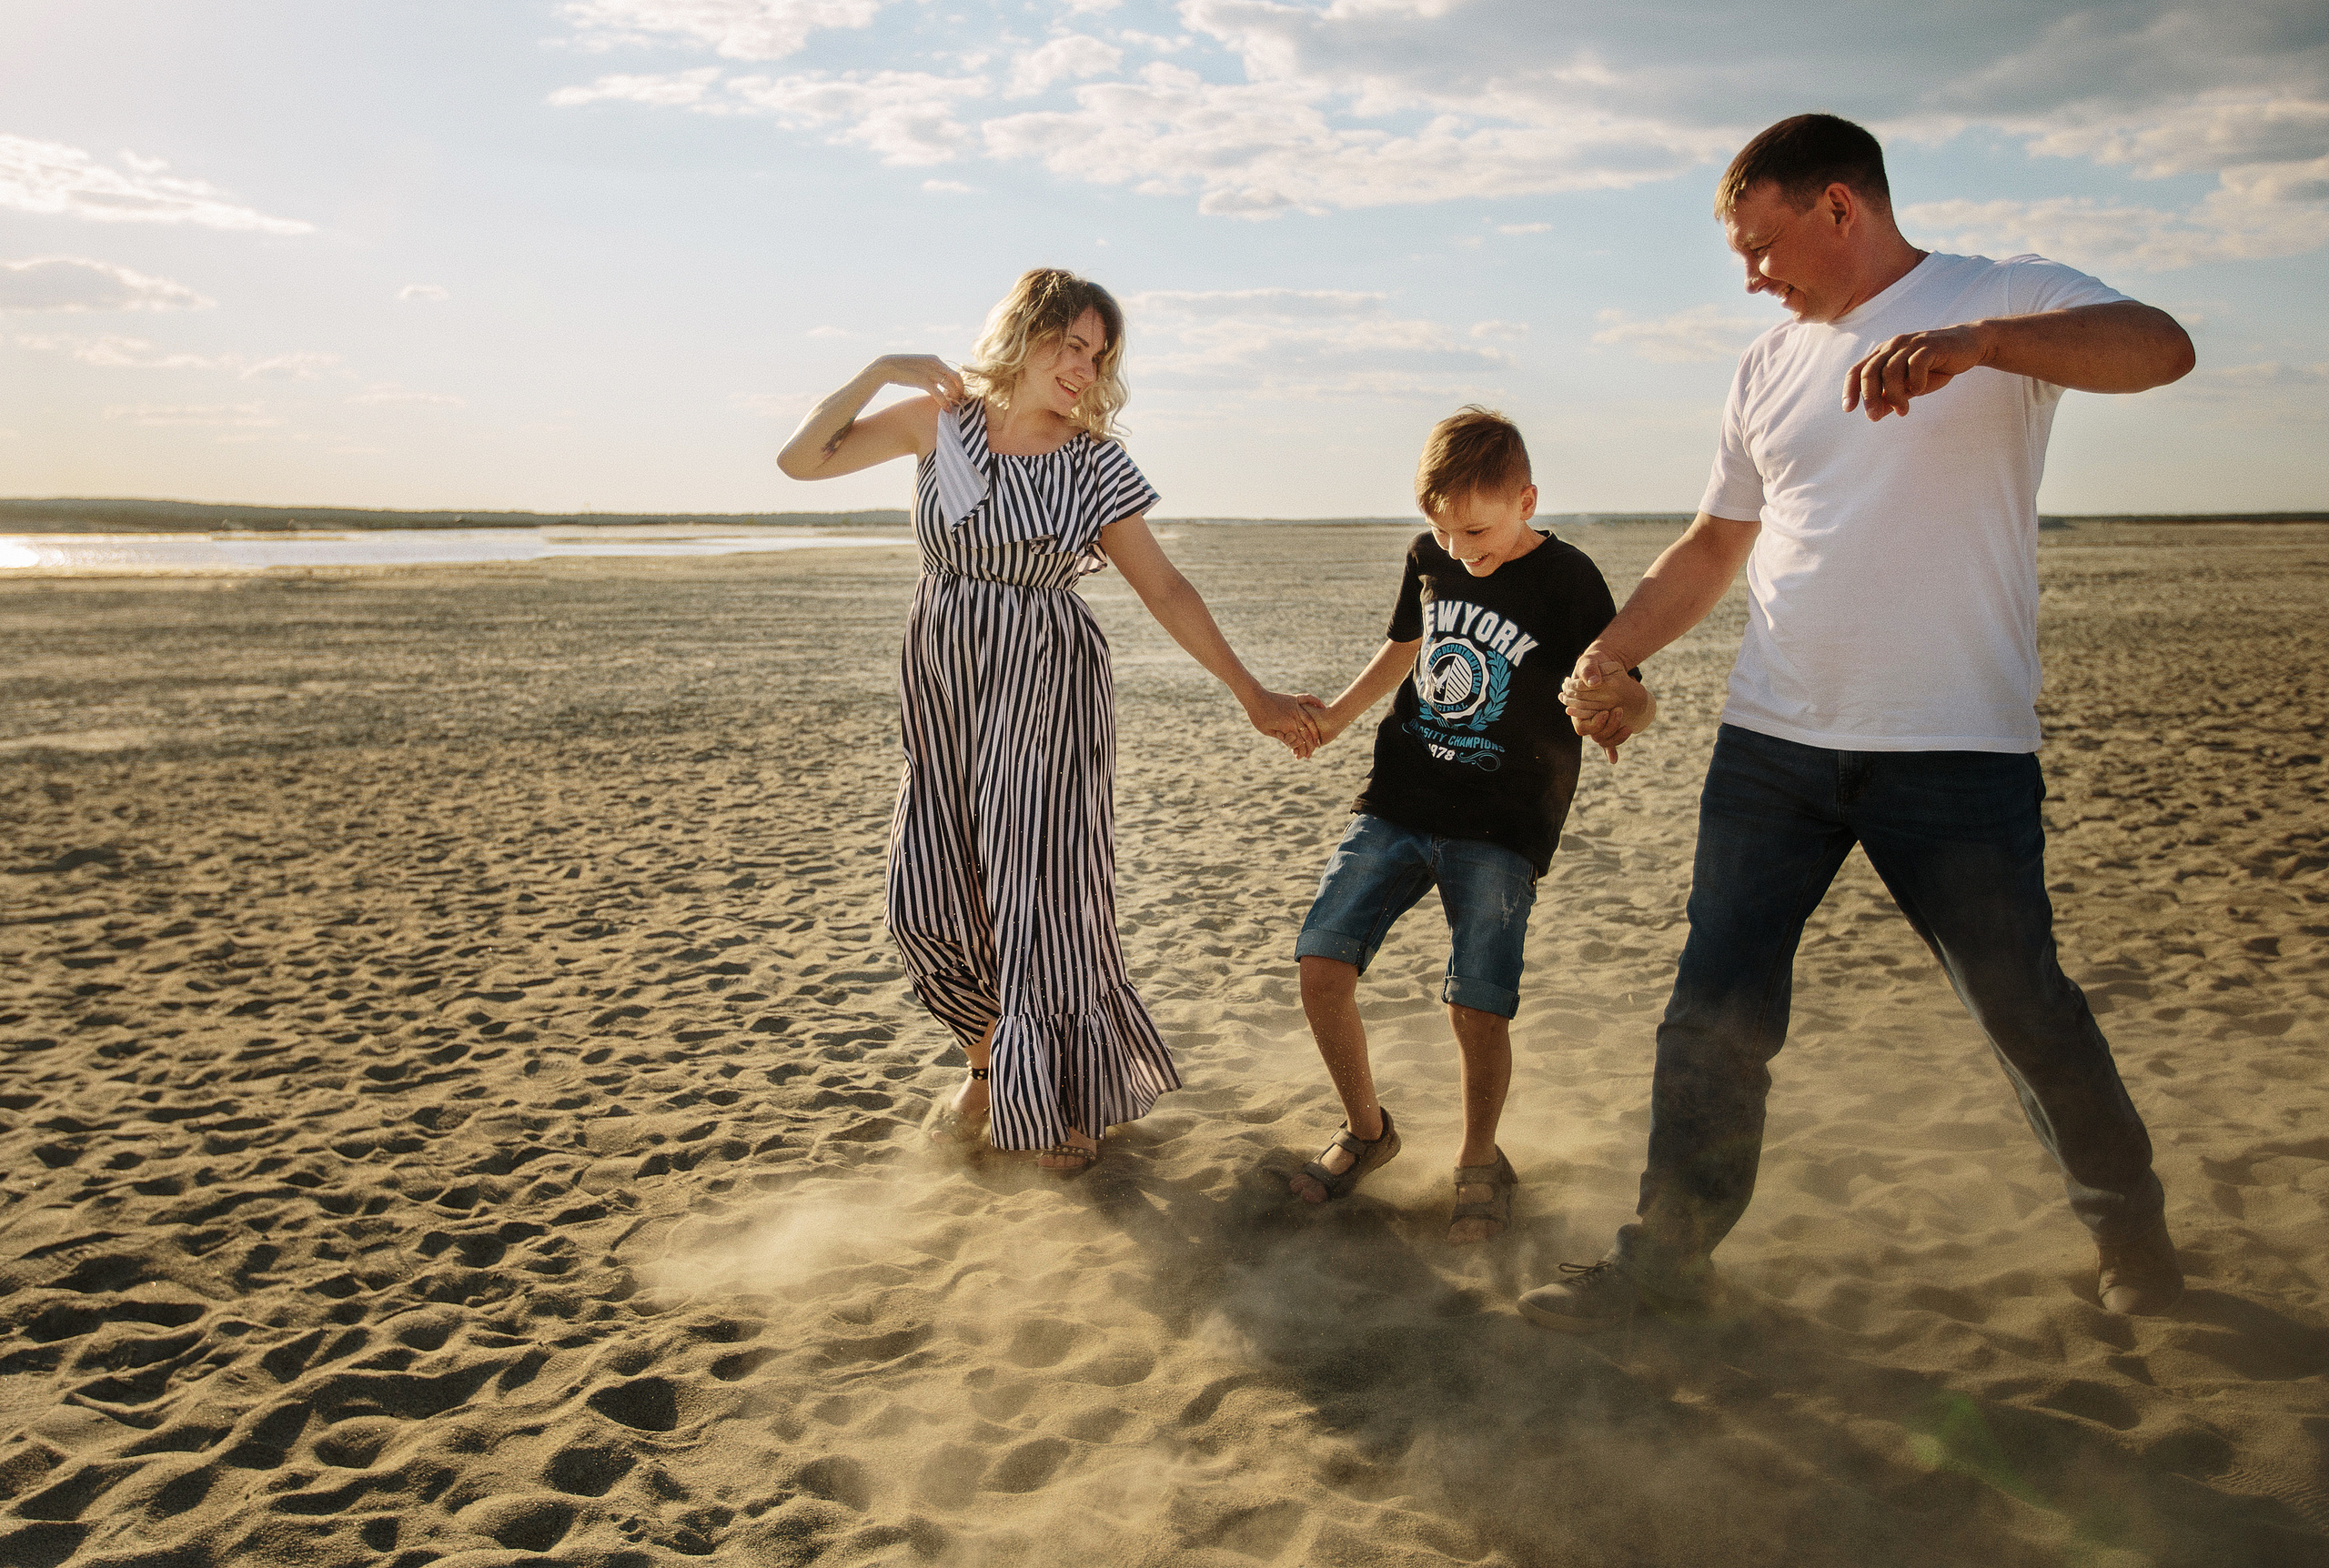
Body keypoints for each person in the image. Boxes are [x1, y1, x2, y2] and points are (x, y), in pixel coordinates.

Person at [1521, 114, 2196, 1330]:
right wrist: (1612, 652)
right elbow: (1719, 540)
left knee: (2023, 1006)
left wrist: (1984, 345)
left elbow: (2165, 350)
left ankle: (2131, 1235)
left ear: (1843, 205)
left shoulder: (1998, 295)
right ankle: (1667, 1262)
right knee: (1714, 1014)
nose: (1751, 275)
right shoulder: (1764, 367)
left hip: (1956, 744)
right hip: (1774, 744)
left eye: (1764, 244)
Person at [777, 267, 1320, 1176]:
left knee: (1047, 898)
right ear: (1023, 335)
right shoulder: (938, 425)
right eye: (1068, 344)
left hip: (1048, 688)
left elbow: (1164, 586)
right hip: (946, 688)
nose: (1081, 367)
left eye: (1097, 354)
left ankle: (1069, 1097)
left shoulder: (1092, 460)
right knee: (925, 896)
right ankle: (991, 1061)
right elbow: (800, 461)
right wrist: (880, 367)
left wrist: (1250, 691)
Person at [1286, 407, 1655, 1242]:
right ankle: (1369, 1131)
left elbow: (1630, 686)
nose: (1459, 550)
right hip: (1401, 797)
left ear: (1526, 498)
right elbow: (1407, 647)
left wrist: (1616, 712)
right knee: (1320, 963)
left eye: (1477, 530)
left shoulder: (1569, 580)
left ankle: (1480, 1159)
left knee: (1477, 1006)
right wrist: (1339, 717)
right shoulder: (1430, 556)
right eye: (1443, 531)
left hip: (1506, 821)